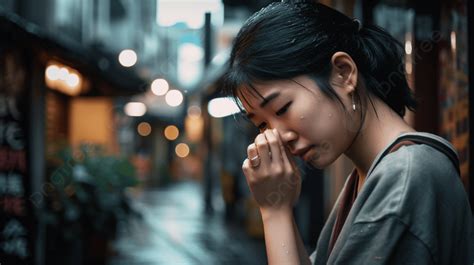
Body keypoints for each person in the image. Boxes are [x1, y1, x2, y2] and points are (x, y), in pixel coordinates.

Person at [221, 0, 473, 264]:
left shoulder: (404, 176)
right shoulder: (370, 175)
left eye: (282, 108)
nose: (277, 135)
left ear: (344, 73)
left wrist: (276, 212)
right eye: (262, 124)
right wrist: (274, 205)